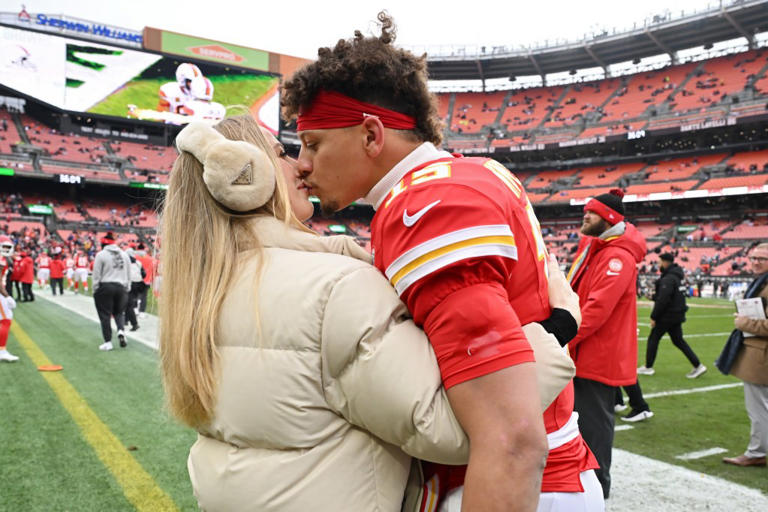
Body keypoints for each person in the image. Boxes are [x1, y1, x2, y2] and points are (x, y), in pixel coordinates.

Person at [282, 15, 601, 512]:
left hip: (500, 485)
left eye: (313, 143)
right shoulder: (463, 176)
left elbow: (511, 440)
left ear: (371, 135)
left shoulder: (428, 205)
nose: (302, 164)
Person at [566, 189, 647, 498]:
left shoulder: (617, 256)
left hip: (596, 356)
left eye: (592, 212)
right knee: (580, 425)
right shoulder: (600, 248)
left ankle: (598, 491)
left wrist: (564, 336)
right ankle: (585, 486)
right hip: (585, 352)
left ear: (609, 218)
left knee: (594, 428)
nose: (585, 215)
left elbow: (597, 309)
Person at [722, 242, 768, 467]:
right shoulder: (761, 282)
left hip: (761, 356)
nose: (756, 262)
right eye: (753, 258)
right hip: (758, 353)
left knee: (758, 408)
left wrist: (744, 322)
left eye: (762, 259)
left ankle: (756, 452)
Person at [638, 252, 706, 379]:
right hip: (676, 314)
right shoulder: (676, 277)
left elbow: (663, 300)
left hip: (667, 315)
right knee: (678, 341)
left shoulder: (668, 278)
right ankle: (698, 365)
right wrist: (653, 297)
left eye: (659, 262)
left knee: (653, 338)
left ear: (665, 262)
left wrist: (654, 316)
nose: (658, 265)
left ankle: (648, 367)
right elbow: (669, 297)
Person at [91, 233, 130, 351]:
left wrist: (95, 288)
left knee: (105, 315)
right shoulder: (124, 254)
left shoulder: (101, 255)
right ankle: (121, 330)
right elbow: (128, 274)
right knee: (119, 312)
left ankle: (108, 342)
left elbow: (96, 274)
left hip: (106, 286)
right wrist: (127, 288)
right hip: (121, 287)